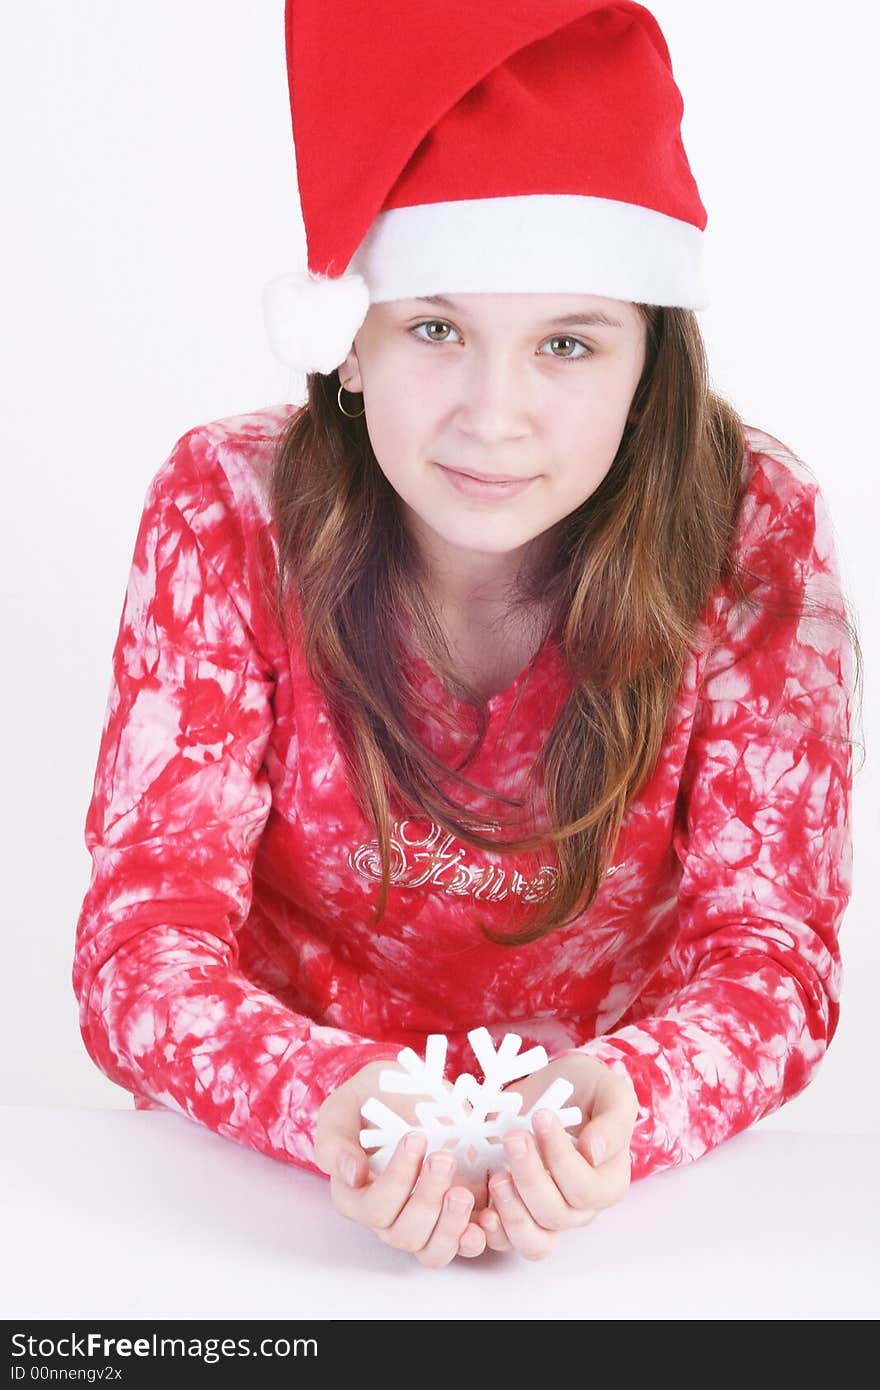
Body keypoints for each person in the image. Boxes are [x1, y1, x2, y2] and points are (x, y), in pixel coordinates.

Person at [71, 0, 862, 1269]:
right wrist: (322, 1096)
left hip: (630, 1226)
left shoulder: (753, 538)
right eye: (435, 328)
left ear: (649, 363)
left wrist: (633, 1100)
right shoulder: (225, 514)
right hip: (254, 1209)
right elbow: (141, 941)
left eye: (566, 344)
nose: (494, 417)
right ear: (347, 348)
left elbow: (769, 950)